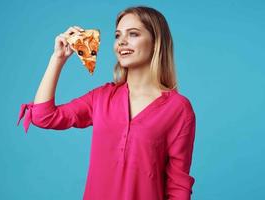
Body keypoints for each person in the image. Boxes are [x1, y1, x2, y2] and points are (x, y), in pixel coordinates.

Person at [17, 5, 196, 200]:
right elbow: (44, 116)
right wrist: (57, 59)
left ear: (156, 42)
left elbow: (178, 185)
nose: (122, 42)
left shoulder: (178, 109)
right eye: (118, 36)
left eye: (133, 34)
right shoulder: (101, 98)